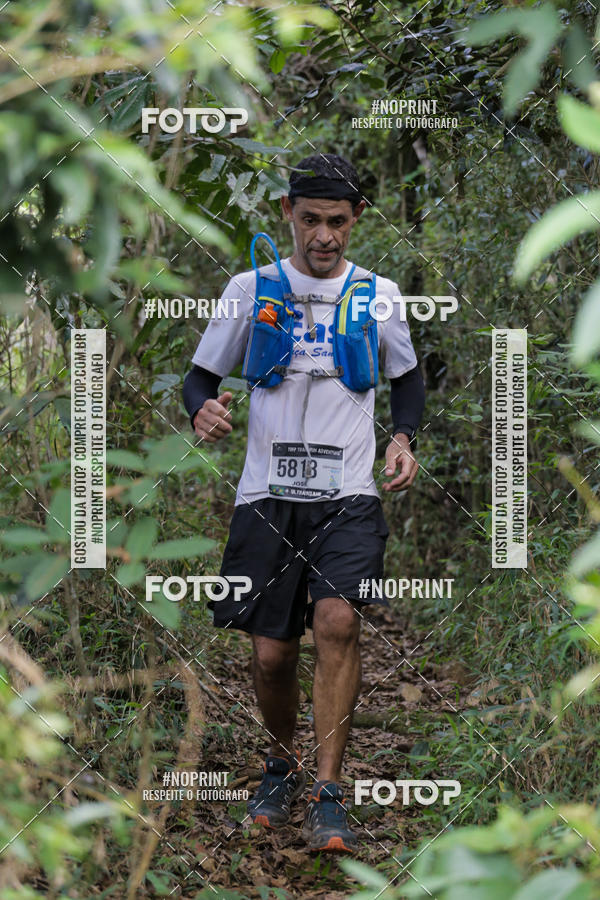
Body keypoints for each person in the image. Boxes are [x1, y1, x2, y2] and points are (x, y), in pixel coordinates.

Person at [183, 153, 425, 854]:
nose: (325, 236)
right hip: (266, 496)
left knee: (338, 622)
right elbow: (197, 380)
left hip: (348, 494)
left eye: (339, 222)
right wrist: (203, 412)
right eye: (312, 220)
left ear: (356, 222)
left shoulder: (377, 294)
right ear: (288, 213)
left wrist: (402, 439)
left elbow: (406, 383)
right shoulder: (249, 288)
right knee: (269, 657)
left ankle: (327, 791)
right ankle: (278, 767)